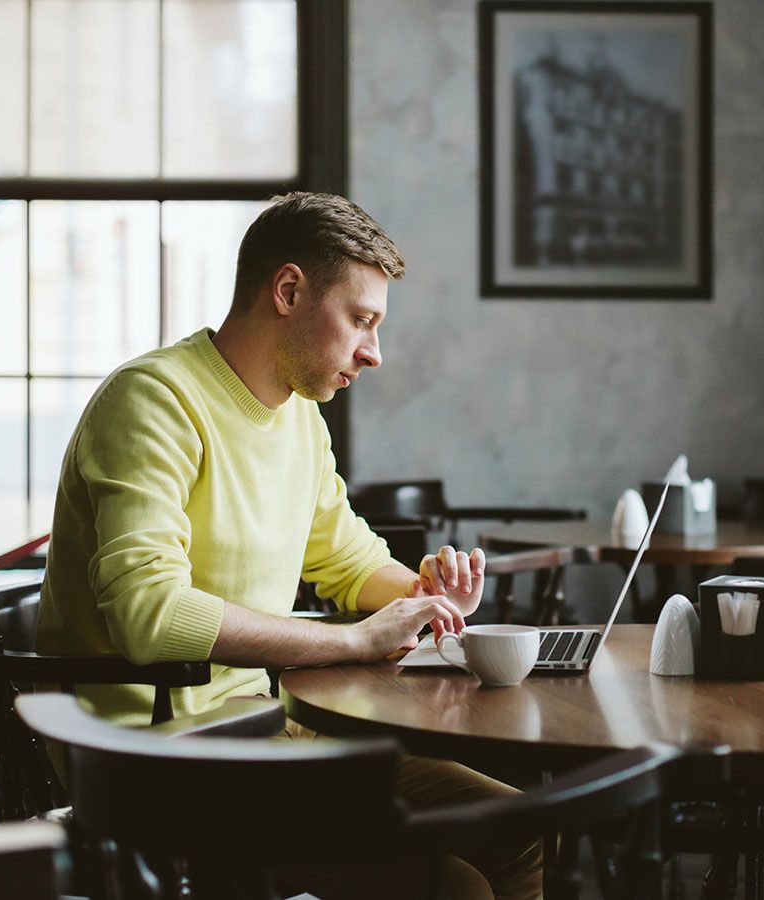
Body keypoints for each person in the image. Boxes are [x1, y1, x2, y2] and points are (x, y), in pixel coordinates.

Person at [36, 192, 541, 900]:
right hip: (160, 758)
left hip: (275, 727)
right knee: (451, 886)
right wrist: (354, 644)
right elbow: (150, 615)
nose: (374, 352)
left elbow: (348, 558)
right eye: (361, 320)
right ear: (289, 290)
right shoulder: (153, 400)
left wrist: (425, 596)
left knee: (516, 827)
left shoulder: (300, 420)